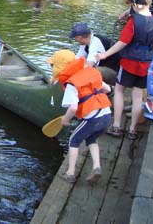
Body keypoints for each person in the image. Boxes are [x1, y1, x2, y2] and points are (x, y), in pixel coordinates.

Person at [96, 0, 153, 139]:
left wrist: (105, 54)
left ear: (136, 5)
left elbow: (122, 42)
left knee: (119, 91)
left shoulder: (133, 21)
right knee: (138, 96)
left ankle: (116, 126)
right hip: (146, 64)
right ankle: (132, 130)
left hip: (129, 63)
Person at [47, 50, 113, 184]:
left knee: (74, 140)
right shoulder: (91, 71)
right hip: (107, 114)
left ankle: (70, 173)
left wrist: (66, 119)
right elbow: (108, 90)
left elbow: (73, 108)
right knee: (92, 139)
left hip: (93, 119)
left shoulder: (71, 83)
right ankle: (96, 167)